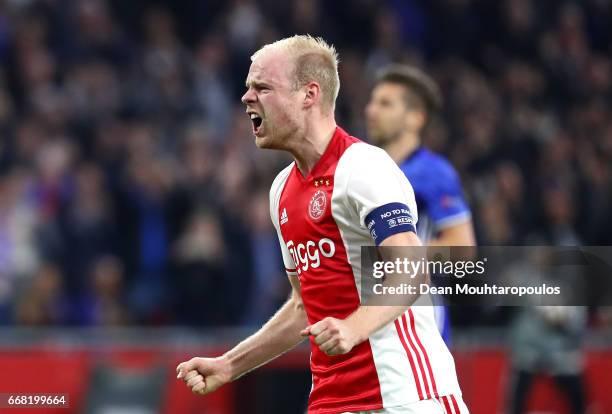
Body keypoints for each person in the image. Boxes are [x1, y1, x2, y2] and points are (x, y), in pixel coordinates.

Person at [176, 35, 468, 414]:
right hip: (332, 402)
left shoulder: (363, 166)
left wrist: (353, 327)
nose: (247, 97)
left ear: (308, 94)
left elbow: (412, 270)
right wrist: (230, 364)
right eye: (248, 87)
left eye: (262, 87)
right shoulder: (281, 190)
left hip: (405, 394)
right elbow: (301, 306)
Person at [366, 65, 475, 343]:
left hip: (417, 310)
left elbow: (463, 250)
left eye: (385, 103)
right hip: (371, 308)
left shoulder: (433, 172)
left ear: (415, 118)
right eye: (373, 101)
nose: (371, 110)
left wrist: (390, 256)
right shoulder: (363, 169)